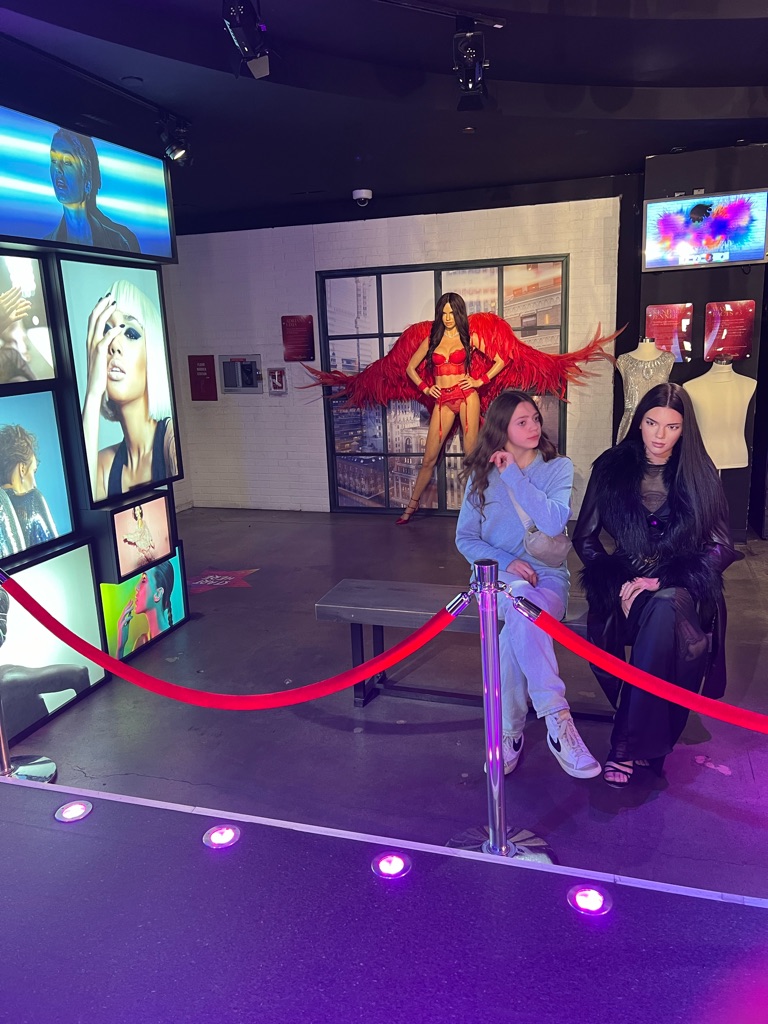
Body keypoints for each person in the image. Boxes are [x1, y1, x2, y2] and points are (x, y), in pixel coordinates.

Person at [573, 382, 740, 788]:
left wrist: (663, 578)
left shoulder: (699, 472)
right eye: (652, 423)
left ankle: (624, 745)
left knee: (666, 606)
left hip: (680, 589)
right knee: (658, 620)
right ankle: (651, 741)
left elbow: (722, 547)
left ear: (685, 429)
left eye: (672, 426)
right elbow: (585, 538)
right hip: (626, 589)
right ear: (639, 421)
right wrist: (621, 581)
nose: (660, 435)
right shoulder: (611, 467)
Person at [456, 390, 602, 779]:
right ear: (501, 428)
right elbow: (466, 539)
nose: (534, 427)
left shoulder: (558, 468)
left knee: (516, 628)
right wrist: (508, 563)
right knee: (521, 601)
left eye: (535, 418)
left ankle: (510, 732)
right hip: (496, 579)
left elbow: (553, 522)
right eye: (522, 422)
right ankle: (559, 721)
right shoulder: (480, 476)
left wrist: (514, 476)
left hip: (548, 576)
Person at [397, 293, 507, 523]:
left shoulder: (469, 338)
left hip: (467, 397)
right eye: (444, 313)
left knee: (470, 456)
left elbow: (500, 361)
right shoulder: (432, 340)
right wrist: (426, 388)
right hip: (442, 401)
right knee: (429, 459)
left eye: (452, 313)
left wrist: (479, 381)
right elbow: (410, 368)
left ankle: (478, 509)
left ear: (459, 313)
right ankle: (411, 507)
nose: (447, 317)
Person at [81, 279, 178, 500]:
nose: (113, 345)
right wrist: (93, 393)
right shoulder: (103, 466)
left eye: (131, 333)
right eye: (106, 332)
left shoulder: (171, 441)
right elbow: (84, 506)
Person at [45, 129, 140, 253]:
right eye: (53, 160)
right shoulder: (47, 243)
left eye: (67, 162)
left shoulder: (120, 242)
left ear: (87, 181)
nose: (57, 168)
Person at [0, 424, 58, 553]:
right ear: (22, 469)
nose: (35, 484)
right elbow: (55, 551)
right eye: (33, 471)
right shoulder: (32, 500)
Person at [116, 561, 175, 657]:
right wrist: (120, 647)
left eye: (144, 579)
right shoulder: (142, 641)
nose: (136, 587)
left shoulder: (172, 640)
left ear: (158, 594)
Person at [122, 504, 156, 568]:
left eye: (137, 510)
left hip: (143, 547)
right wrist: (151, 540)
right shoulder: (141, 521)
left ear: (140, 510)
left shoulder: (140, 521)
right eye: (135, 510)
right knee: (149, 562)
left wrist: (127, 536)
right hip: (143, 547)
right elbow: (147, 531)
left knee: (150, 562)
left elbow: (138, 535)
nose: (136, 512)